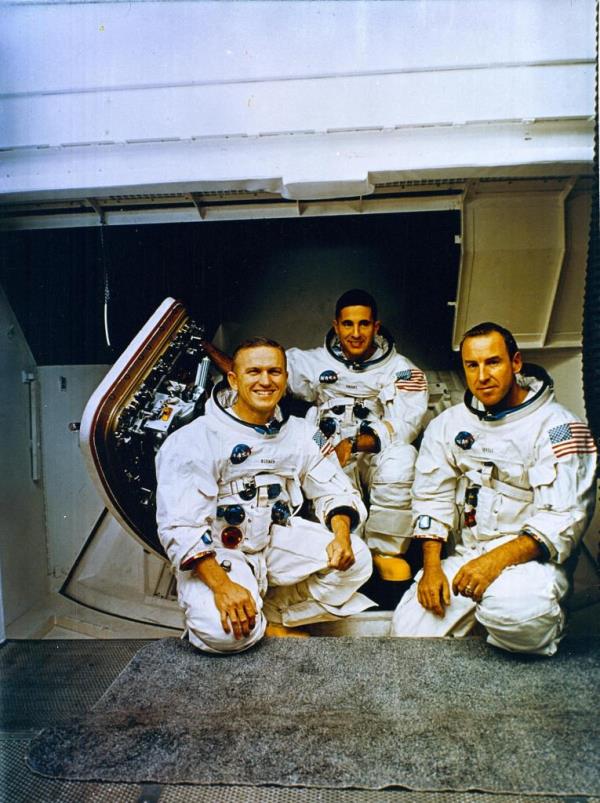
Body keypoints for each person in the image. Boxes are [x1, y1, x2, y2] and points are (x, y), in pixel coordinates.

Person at [155, 337, 373, 654]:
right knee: (225, 634)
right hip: (219, 551)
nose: (265, 381)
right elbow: (180, 526)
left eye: (274, 372)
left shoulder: (299, 433)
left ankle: (273, 617)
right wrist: (222, 586)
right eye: (254, 371)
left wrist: (340, 533)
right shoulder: (194, 439)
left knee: (357, 560)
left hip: (272, 539)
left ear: (285, 378)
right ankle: (251, 619)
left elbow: (334, 487)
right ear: (233, 378)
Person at [390, 322, 597, 655]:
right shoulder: (450, 424)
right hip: (470, 554)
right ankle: (481, 617)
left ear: (515, 363)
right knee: (407, 635)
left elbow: (564, 518)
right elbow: (432, 498)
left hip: (531, 561)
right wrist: (431, 569)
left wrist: (493, 564)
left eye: (493, 362)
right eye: (472, 365)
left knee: (516, 615)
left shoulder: (561, 428)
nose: (482, 375)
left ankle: (549, 619)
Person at [285, 289, 428, 582]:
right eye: (348, 324)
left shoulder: (403, 371)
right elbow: (257, 371)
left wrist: (352, 444)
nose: (356, 333)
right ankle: (352, 550)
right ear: (336, 325)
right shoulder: (311, 362)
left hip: (375, 444)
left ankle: (384, 552)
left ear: (376, 327)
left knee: (403, 459)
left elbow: (405, 425)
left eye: (364, 324)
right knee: (320, 467)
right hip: (324, 438)